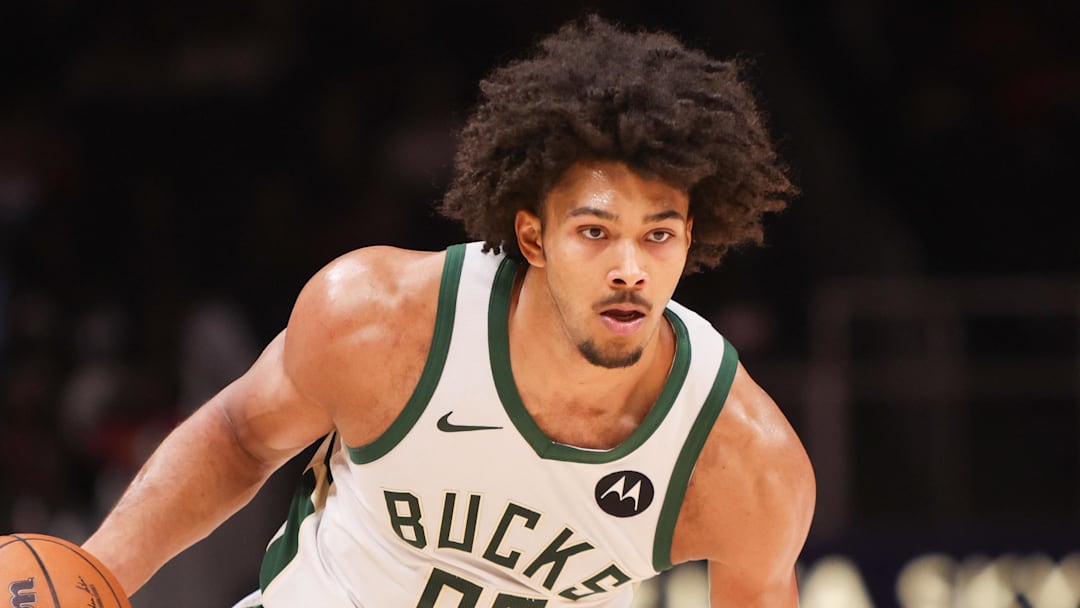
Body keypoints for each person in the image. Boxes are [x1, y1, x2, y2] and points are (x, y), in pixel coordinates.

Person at [83, 15, 815, 607]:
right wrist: (91, 577)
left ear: (689, 239)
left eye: (658, 236)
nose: (631, 269)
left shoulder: (743, 460)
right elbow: (240, 438)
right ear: (533, 236)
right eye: (596, 232)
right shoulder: (381, 319)